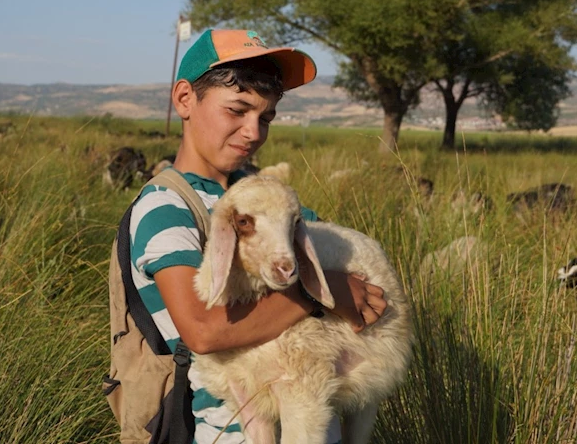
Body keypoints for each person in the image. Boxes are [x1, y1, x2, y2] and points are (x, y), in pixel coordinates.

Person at [128, 29, 388, 443]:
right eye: (237, 110)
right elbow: (203, 330)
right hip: (229, 431)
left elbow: (326, 255)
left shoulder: (262, 193)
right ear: (184, 99)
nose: (254, 131)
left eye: (265, 117)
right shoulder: (166, 207)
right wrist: (321, 292)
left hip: (310, 414)